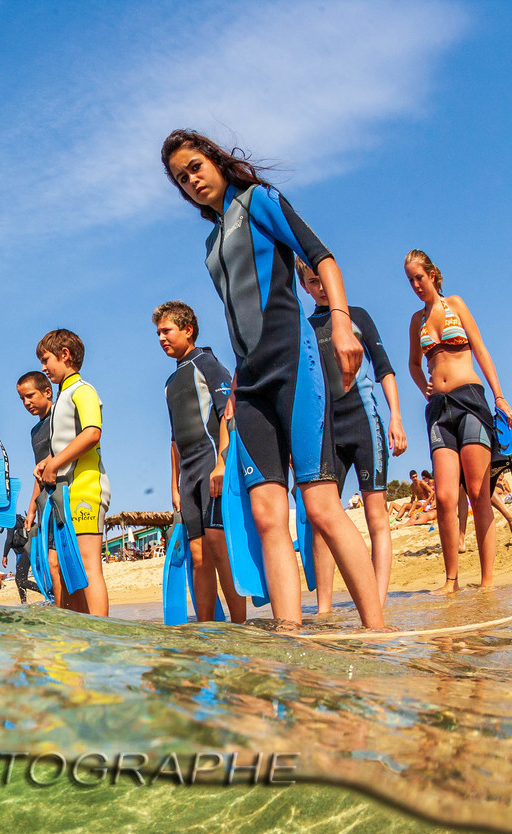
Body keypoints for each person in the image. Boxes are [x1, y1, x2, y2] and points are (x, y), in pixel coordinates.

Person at [162, 129, 384, 629]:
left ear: (216, 162)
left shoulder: (257, 202)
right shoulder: (211, 242)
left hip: (294, 366)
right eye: (181, 178)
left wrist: (343, 321)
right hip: (252, 386)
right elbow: (239, 317)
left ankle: (378, 631)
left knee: (321, 505)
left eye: (196, 166)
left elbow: (322, 256)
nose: (191, 179)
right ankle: (290, 635)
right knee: (267, 517)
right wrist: (238, 384)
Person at [295, 261, 407, 614]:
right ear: (305, 287)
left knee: (377, 516)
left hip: (363, 421)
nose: (321, 288)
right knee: (321, 519)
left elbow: (384, 367)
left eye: (324, 279)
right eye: (313, 282)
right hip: (324, 429)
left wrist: (397, 419)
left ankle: (377, 603)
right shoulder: (304, 327)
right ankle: (325, 610)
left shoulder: (355, 315)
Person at [403, 249, 511, 593]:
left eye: (420, 277)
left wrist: (499, 395)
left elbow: (480, 349)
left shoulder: (456, 305)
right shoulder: (415, 321)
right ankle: (451, 580)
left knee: (479, 492)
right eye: (410, 281)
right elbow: (413, 364)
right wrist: (424, 389)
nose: (416, 285)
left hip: (470, 402)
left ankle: (487, 580)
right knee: (447, 498)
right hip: (438, 410)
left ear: (433, 274)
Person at [154, 301, 245, 623]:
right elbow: (174, 441)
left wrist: (222, 463)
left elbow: (228, 415)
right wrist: (175, 486)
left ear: (187, 330)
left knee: (219, 548)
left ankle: (240, 626)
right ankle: (207, 628)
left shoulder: (207, 363)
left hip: (210, 464)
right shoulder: (169, 382)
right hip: (188, 473)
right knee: (198, 555)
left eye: (167, 331)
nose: (161, 338)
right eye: (158, 333)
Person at [33, 329, 110, 616]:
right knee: (69, 568)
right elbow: (69, 441)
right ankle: (81, 630)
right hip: (65, 491)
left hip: (87, 486)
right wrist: (48, 462)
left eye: (46, 359)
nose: (43, 367)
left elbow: (92, 433)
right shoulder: (63, 397)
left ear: (65, 355)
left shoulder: (82, 390)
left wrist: (54, 463)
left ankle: (102, 633)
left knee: (88, 564)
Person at [15, 370, 54, 602]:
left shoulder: (59, 417)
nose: (26, 402)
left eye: (30, 396)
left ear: (47, 392)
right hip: (45, 503)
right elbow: (37, 473)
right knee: (48, 564)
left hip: (65, 496)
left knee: (57, 562)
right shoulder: (35, 431)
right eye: (22, 399)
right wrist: (31, 510)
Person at [0, 513, 33, 603]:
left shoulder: (11, 522)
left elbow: (9, 541)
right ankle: (24, 602)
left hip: (23, 553)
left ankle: (46, 592)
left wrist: (5, 555)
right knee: (20, 580)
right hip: (26, 552)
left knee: (20, 580)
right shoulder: (18, 520)